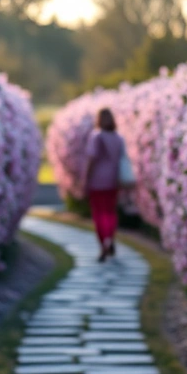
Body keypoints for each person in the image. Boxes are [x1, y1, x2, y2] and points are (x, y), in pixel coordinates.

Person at [84, 108, 126, 262]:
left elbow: (92, 159)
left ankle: (103, 244)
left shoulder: (97, 136)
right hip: (113, 180)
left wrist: (86, 179)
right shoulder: (118, 138)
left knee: (99, 213)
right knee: (110, 212)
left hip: (97, 181)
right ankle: (110, 239)